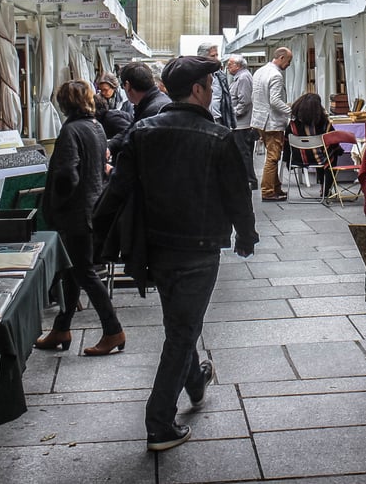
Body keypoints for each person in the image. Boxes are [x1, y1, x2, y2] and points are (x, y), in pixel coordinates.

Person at [94, 55, 259, 451]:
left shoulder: (144, 131)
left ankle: (197, 382)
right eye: (210, 86)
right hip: (199, 248)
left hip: (156, 246)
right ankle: (159, 422)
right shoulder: (220, 136)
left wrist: (96, 231)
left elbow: (117, 189)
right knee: (182, 332)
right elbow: (237, 195)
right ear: (200, 89)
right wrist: (246, 235)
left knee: (179, 325)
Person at [34, 80, 126, 357]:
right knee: (73, 271)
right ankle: (62, 327)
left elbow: (66, 174)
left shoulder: (71, 130)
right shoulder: (96, 126)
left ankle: (113, 330)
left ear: (64, 103)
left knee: (83, 272)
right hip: (92, 209)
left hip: (75, 214)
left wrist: (56, 205)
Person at [250, 46, 293, 202]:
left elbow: (254, 97)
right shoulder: (276, 75)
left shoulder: (259, 72)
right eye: (289, 60)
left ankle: (276, 187)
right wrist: (290, 111)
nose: (289, 64)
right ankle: (268, 191)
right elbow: (275, 101)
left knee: (272, 155)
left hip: (259, 119)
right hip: (272, 121)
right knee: (273, 157)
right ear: (281, 58)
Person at [285, 92, 347, 200]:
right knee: (329, 154)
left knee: (322, 152)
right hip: (320, 158)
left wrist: (287, 160)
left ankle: (323, 185)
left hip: (298, 158)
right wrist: (338, 150)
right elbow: (333, 140)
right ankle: (326, 187)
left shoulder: (292, 125)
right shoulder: (323, 123)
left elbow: (286, 144)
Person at [108, 61, 171, 158]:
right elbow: (129, 130)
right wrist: (110, 146)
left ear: (128, 86)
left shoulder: (152, 111)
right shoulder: (150, 105)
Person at [226, 54, 257, 187]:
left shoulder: (243, 77)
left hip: (242, 124)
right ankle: (248, 179)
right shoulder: (240, 77)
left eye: (230, 64)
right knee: (244, 152)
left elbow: (245, 101)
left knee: (243, 153)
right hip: (241, 123)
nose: (228, 66)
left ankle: (249, 180)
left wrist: (234, 114)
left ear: (238, 65)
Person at [199, 43, 235, 130]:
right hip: (201, 120)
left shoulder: (220, 76)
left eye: (217, 55)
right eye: (212, 56)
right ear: (203, 57)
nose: (216, 59)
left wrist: (231, 121)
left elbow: (227, 100)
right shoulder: (196, 75)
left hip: (218, 120)